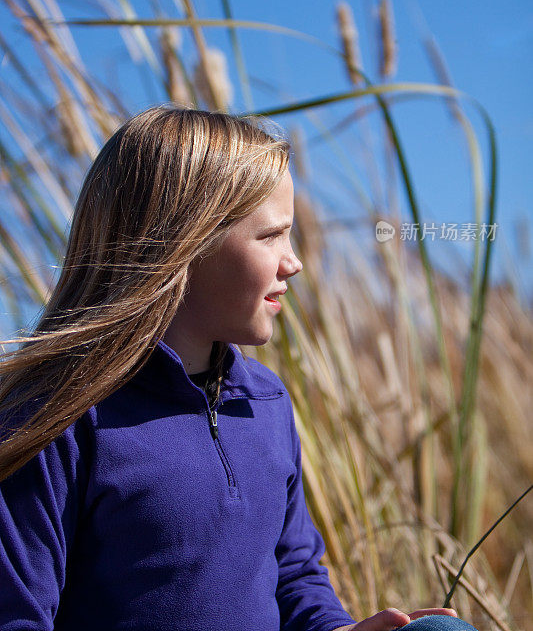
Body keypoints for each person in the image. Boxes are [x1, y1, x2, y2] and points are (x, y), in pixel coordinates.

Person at [0, 107, 477, 631]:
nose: (293, 262)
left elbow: (294, 575)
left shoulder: (265, 402)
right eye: (271, 236)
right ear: (187, 240)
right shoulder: (56, 415)